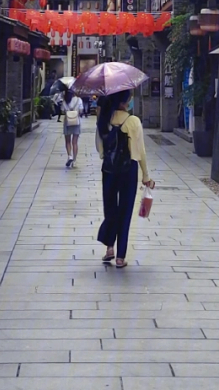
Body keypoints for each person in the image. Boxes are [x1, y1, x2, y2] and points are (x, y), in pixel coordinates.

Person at [95, 89, 155, 268]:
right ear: (124, 101)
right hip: (128, 170)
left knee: (110, 209)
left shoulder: (104, 119)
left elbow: (100, 149)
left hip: (109, 170)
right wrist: (146, 175)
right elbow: (140, 151)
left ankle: (109, 249)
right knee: (125, 212)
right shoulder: (133, 121)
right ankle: (120, 257)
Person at [61, 88, 85, 167]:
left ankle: (69, 156)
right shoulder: (78, 100)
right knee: (75, 142)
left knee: (67, 141)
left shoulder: (64, 101)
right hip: (76, 122)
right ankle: (74, 160)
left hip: (67, 122)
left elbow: (62, 111)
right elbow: (81, 111)